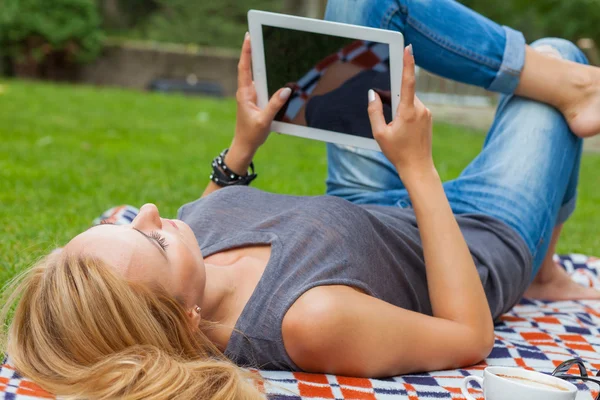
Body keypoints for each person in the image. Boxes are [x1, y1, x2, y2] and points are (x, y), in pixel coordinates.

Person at [2, 0, 599, 398]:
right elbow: (468, 338)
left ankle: (571, 105)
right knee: (557, 56)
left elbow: (206, 216)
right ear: (186, 321)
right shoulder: (310, 322)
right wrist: (418, 166)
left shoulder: (181, 277)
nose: (153, 213)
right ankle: (538, 263)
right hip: (471, 234)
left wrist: (243, 143)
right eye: (149, 237)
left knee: (362, 2)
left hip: (366, 199)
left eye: (131, 222)